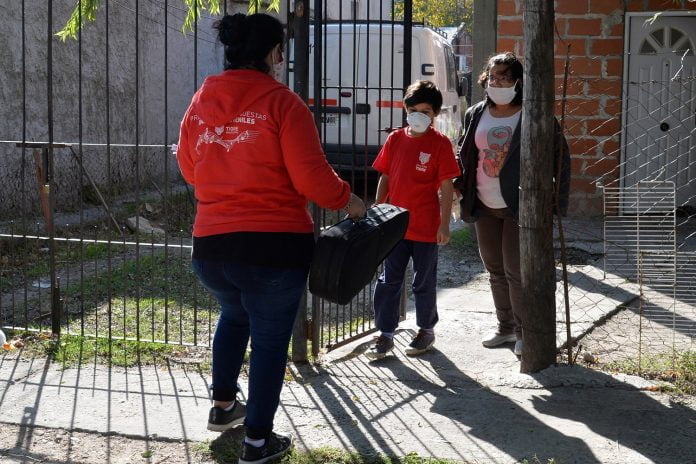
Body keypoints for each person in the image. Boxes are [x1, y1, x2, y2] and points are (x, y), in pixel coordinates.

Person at [176, 13, 365, 464]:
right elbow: (313, 179)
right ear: (273, 53)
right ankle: (258, 443)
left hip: (212, 249)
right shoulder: (283, 103)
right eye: (281, 50)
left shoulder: (200, 101)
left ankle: (224, 408)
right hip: (272, 250)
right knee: (267, 341)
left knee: (233, 315)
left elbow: (188, 167)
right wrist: (349, 200)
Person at [455, 52, 570, 357]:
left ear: (518, 82)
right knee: (494, 269)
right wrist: (458, 185)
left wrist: (557, 201)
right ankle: (505, 328)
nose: (497, 82)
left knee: (514, 270)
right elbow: (465, 151)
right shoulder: (477, 112)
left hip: (520, 206)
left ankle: (523, 332)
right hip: (482, 204)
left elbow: (561, 158)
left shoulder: (533, 115)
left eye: (505, 77)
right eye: (493, 77)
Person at [366, 80, 461, 360]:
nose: (420, 115)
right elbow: (385, 175)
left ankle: (426, 330)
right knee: (388, 281)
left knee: (424, 282)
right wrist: (378, 208)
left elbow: (445, 187)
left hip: (426, 227)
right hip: (395, 226)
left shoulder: (441, 144)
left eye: (427, 111)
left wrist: (444, 225)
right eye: (415, 109)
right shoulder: (395, 139)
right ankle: (384, 335)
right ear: (405, 109)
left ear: (435, 115)